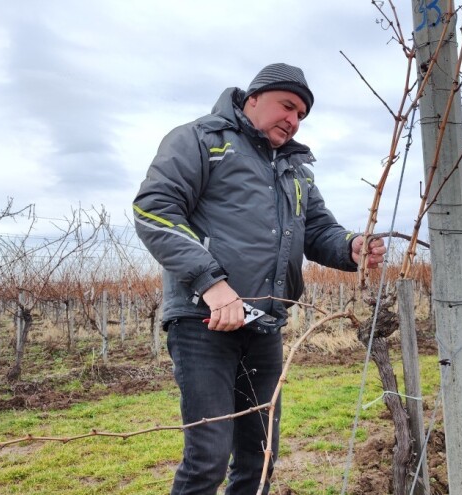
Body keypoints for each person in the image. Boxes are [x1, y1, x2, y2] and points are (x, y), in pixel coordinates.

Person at [133, 63, 385, 495]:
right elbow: (154, 209)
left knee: (260, 456)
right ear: (252, 98)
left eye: (302, 115)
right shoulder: (201, 140)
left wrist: (351, 246)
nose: (293, 119)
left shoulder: (296, 170)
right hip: (203, 322)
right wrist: (212, 285)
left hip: (264, 325)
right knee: (208, 459)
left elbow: (319, 230)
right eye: (287, 106)